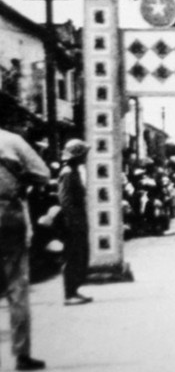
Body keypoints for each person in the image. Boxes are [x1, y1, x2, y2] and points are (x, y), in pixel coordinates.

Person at [0, 127, 50, 370]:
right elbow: (42, 174)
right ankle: (22, 354)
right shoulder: (12, 141)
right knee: (17, 286)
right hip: (8, 215)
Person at [58, 139, 92, 306]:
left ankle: (74, 290)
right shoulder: (68, 172)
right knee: (73, 256)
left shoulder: (74, 171)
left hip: (77, 219)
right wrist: (73, 221)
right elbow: (65, 200)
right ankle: (69, 293)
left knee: (79, 255)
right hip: (72, 221)